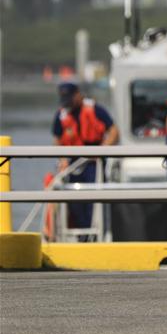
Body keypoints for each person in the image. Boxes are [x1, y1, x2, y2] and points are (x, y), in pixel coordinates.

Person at [51, 82, 119, 234]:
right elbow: (57, 140)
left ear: (78, 95)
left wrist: (102, 150)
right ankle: (81, 235)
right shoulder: (62, 114)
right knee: (75, 204)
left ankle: (98, 233)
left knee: (95, 203)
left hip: (94, 163)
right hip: (73, 165)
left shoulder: (95, 109)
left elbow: (114, 132)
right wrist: (62, 160)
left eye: (70, 98)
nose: (67, 103)